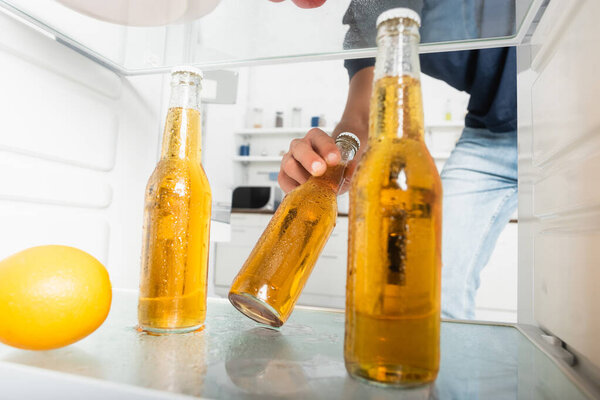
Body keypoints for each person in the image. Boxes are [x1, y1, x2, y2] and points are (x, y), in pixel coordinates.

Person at [274, 0, 517, 320]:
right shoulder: (372, 10)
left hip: (580, 105)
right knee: (426, 288)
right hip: (493, 134)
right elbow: (361, 120)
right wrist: (331, 159)